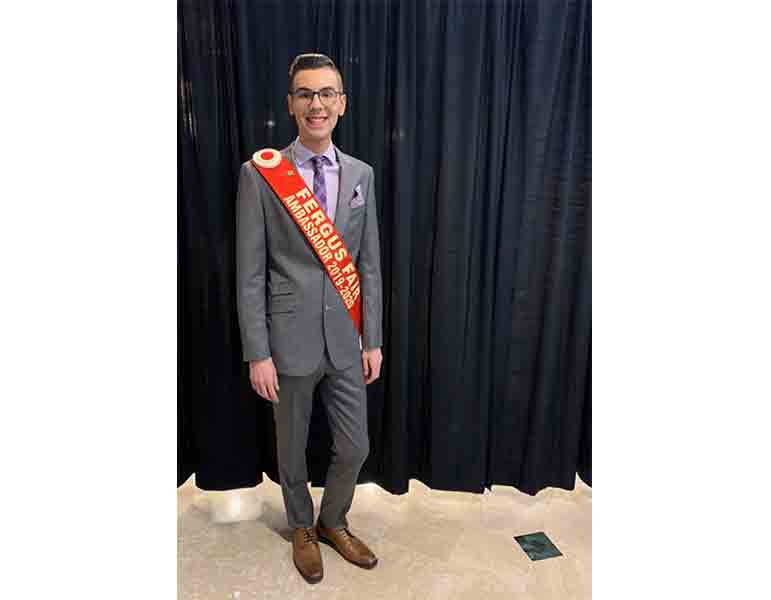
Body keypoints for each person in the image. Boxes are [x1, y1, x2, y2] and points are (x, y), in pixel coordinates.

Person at [235, 53, 383, 584]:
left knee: (356, 445)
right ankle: (301, 525)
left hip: (345, 336)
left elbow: (368, 264)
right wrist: (257, 352)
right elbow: (250, 272)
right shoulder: (261, 175)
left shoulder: (361, 174)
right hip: (288, 337)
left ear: (342, 104)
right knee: (292, 447)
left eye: (326, 93)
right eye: (305, 93)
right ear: (292, 104)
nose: (316, 104)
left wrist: (373, 338)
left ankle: (333, 521)